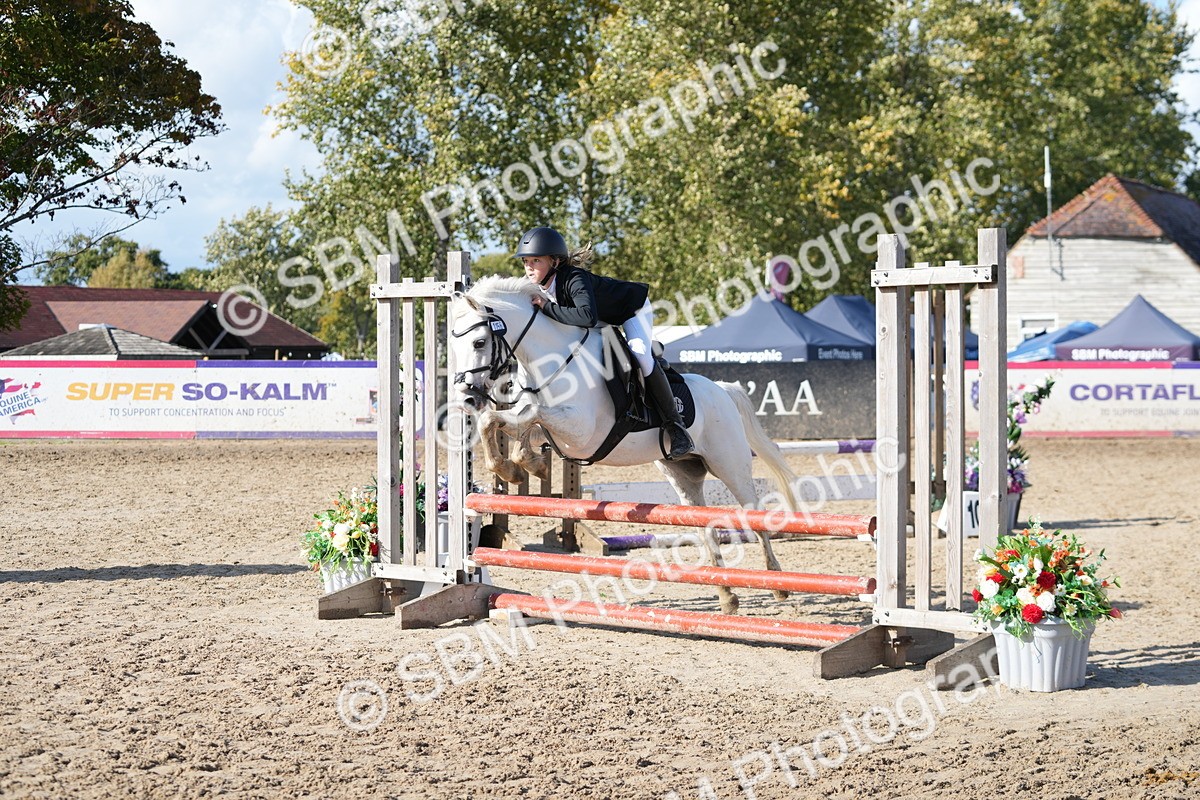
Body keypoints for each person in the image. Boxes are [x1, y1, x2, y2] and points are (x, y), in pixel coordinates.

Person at [515, 226, 694, 460]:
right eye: (526, 261)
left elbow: (586, 317)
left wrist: (546, 306)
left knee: (639, 353)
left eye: (536, 260)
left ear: (555, 262)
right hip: (601, 321)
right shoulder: (534, 286)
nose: (529, 266)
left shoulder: (574, 279)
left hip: (631, 310)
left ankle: (676, 427)